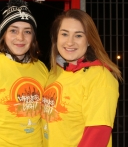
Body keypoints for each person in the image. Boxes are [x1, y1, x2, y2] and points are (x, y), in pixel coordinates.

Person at [41, 9, 122, 147]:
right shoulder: (56, 72)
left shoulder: (100, 78)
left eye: (78, 36)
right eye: (64, 34)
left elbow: (97, 135)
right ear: (56, 38)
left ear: (89, 40)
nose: (70, 42)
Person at [0, 0, 48, 146]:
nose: (20, 37)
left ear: (33, 37)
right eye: (13, 30)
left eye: (27, 31)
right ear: (4, 34)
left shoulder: (42, 68)